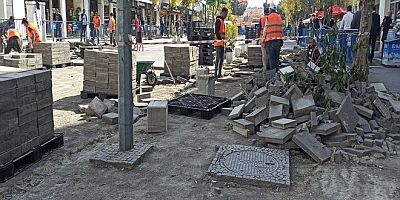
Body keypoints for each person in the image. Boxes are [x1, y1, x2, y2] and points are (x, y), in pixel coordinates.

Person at [262, 3, 284, 71]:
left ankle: (273, 76)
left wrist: (263, 40)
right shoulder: (279, 17)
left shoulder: (269, 17)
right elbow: (281, 28)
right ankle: (277, 74)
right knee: (276, 58)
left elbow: (265, 29)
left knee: (271, 59)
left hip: (270, 41)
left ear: (270, 10)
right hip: (278, 41)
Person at [214, 7, 228, 79]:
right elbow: (216, 32)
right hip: (218, 43)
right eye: (225, 14)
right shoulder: (218, 21)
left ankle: (219, 73)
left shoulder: (222, 21)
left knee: (221, 59)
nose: (226, 15)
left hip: (222, 43)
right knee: (218, 59)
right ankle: (215, 74)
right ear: (222, 12)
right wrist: (221, 40)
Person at [259, 4, 270, 72]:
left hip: (262, 38)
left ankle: (265, 68)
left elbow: (259, 28)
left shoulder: (262, 19)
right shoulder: (270, 18)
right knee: (269, 53)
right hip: (269, 38)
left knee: (264, 54)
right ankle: (269, 67)